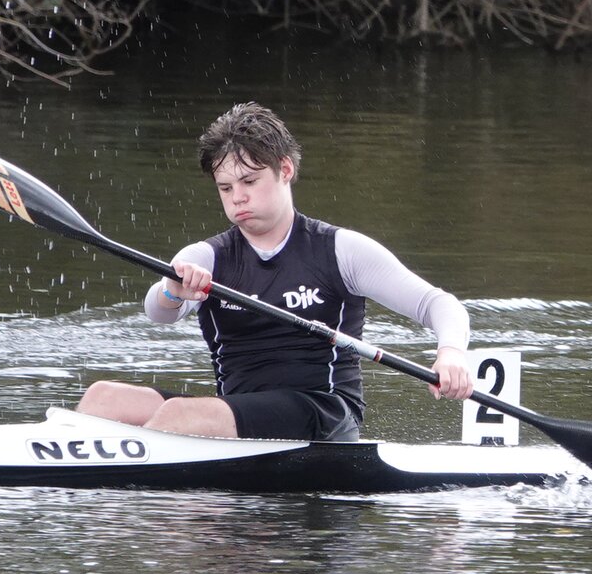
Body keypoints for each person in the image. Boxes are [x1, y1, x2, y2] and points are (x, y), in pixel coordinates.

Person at [78, 103, 474, 440]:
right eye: (225, 187)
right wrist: (173, 290)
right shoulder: (206, 257)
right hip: (236, 409)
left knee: (182, 415)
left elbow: (438, 304)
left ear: (285, 170)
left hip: (324, 413)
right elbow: (156, 311)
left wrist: (451, 354)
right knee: (102, 398)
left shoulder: (341, 250)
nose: (238, 198)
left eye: (249, 181)